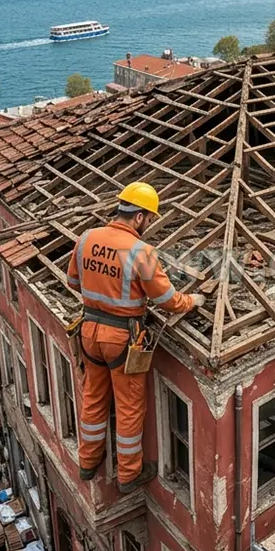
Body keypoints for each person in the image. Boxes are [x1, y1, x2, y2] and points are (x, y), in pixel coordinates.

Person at [66, 182, 204, 494]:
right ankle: (129, 475)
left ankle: (88, 462)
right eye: (149, 219)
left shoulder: (87, 237)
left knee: (93, 397)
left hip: (88, 331)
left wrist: (103, 291)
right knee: (129, 406)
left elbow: (73, 281)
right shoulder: (142, 252)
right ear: (139, 217)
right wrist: (192, 301)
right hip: (121, 338)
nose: (149, 224)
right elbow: (168, 300)